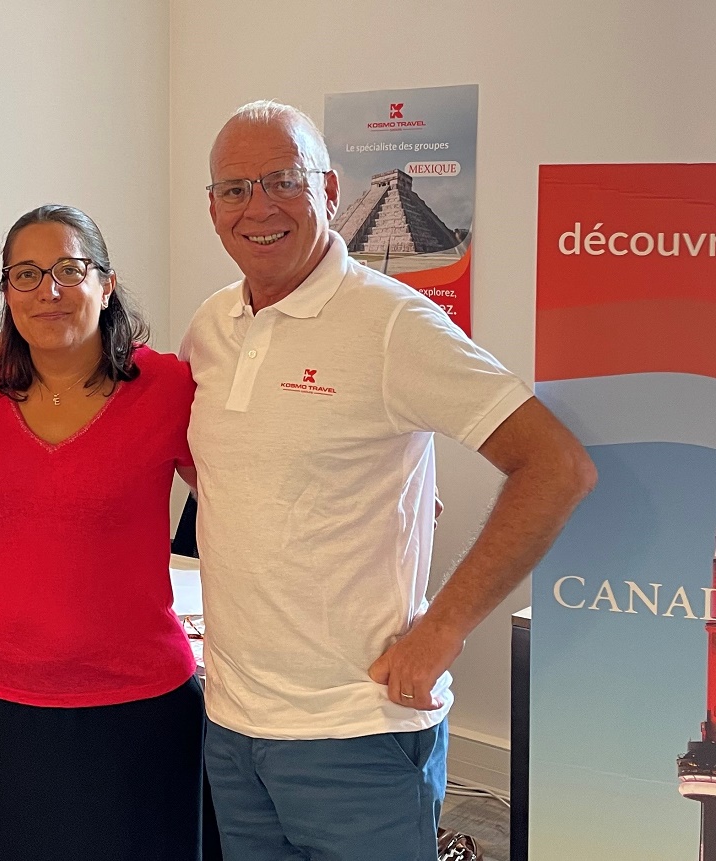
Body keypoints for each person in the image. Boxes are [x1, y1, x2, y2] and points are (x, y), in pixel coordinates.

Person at [180, 100, 597, 861]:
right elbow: (226, 460)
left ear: (330, 189)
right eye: (234, 189)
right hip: (234, 723)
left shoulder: (392, 324)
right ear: (211, 208)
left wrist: (443, 628)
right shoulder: (211, 326)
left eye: (283, 180)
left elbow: (557, 465)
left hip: (355, 733)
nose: (259, 207)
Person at [0, 204, 205, 861]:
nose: (48, 290)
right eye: (26, 273)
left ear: (106, 283)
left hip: (132, 708)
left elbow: (237, 493)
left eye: (70, 269)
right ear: (6, 291)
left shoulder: (166, 387)